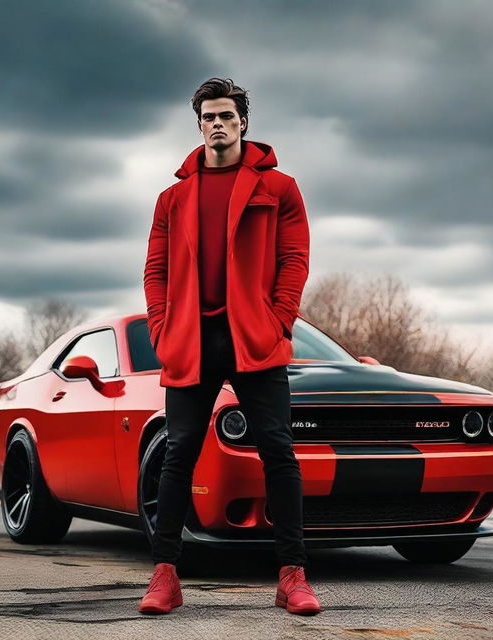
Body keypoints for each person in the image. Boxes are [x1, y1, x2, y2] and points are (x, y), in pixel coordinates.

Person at [140, 77, 321, 616]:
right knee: (178, 455)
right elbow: (155, 270)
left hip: (255, 335)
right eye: (208, 116)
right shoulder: (172, 198)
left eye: (226, 115)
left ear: (243, 121)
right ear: (198, 124)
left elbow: (295, 259)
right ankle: (165, 576)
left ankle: (292, 575)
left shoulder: (279, 188)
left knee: (279, 453)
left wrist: (279, 320)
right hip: (191, 338)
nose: (217, 124)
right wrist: (160, 331)